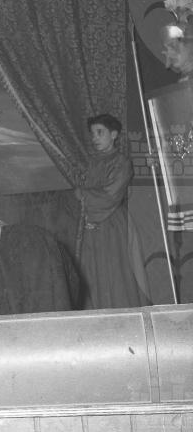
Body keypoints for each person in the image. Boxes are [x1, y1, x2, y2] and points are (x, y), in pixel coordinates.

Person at [74, 113, 150, 309]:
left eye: (100, 132)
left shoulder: (122, 162)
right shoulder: (92, 163)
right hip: (92, 225)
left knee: (116, 273)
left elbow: (110, 195)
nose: (95, 138)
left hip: (114, 224)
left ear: (114, 134)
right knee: (94, 272)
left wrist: (82, 194)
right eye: (93, 134)